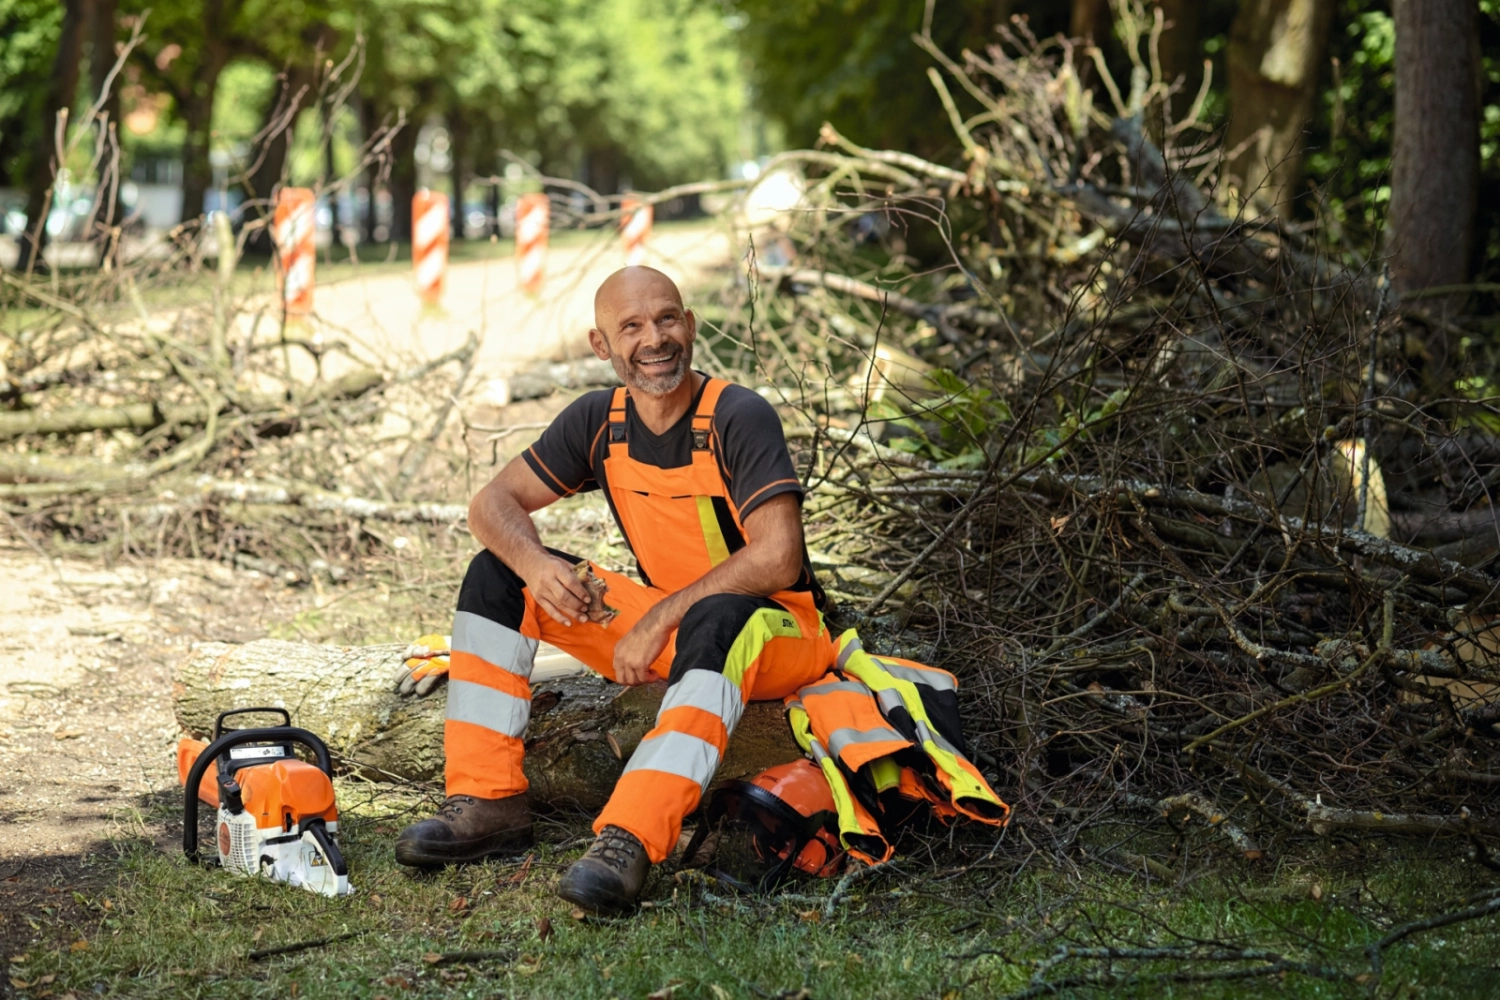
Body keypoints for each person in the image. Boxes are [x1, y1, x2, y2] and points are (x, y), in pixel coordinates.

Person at [392, 265, 831, 914]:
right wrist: (538, 565)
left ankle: (629, 838)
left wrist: (657, 622)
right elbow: (492, 504)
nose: (654, 338)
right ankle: (487, 801)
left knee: (717, 615)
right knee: (498, 573)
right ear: (602, 347)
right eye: (631, 326)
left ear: (690, 325)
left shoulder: (739, 414)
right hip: (677, 624)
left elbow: (776, 557)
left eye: (667, 318)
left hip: (779, 631)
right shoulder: (600, 420)